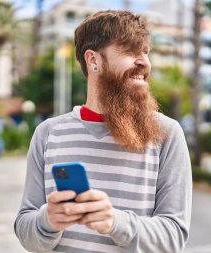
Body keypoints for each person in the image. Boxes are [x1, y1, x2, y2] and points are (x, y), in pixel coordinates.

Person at [14, 10, 192, 253]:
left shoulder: (167, 133)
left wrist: (115, 222)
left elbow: (172, 239)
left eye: (145, 52)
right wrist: (48, 221)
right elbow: (26, 232)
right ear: (93, 60)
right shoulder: (47, 134)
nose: (144, 62)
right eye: (130, 51)